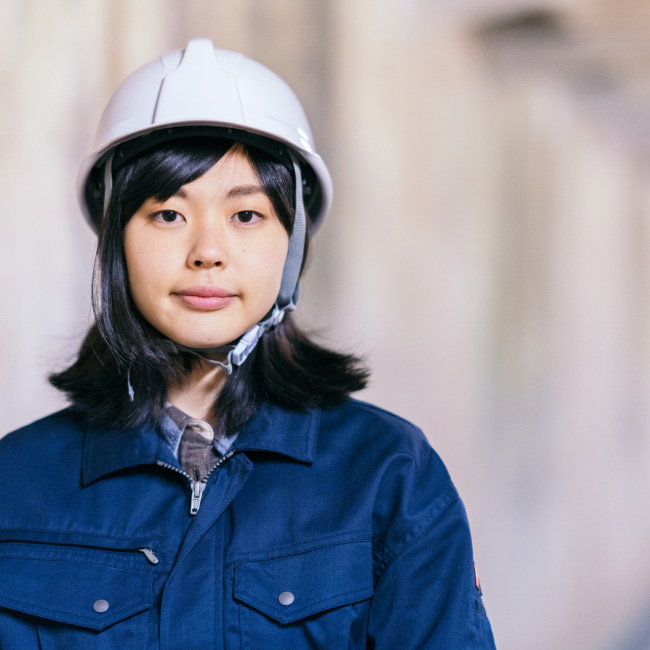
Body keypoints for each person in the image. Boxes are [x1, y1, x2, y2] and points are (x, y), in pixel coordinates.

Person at [0, 38, 496, 649]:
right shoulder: (16, 482)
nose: (207, 252)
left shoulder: (387, 473)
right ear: (115, 243)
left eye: (246, 216)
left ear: (292, 245)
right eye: (167, 214)